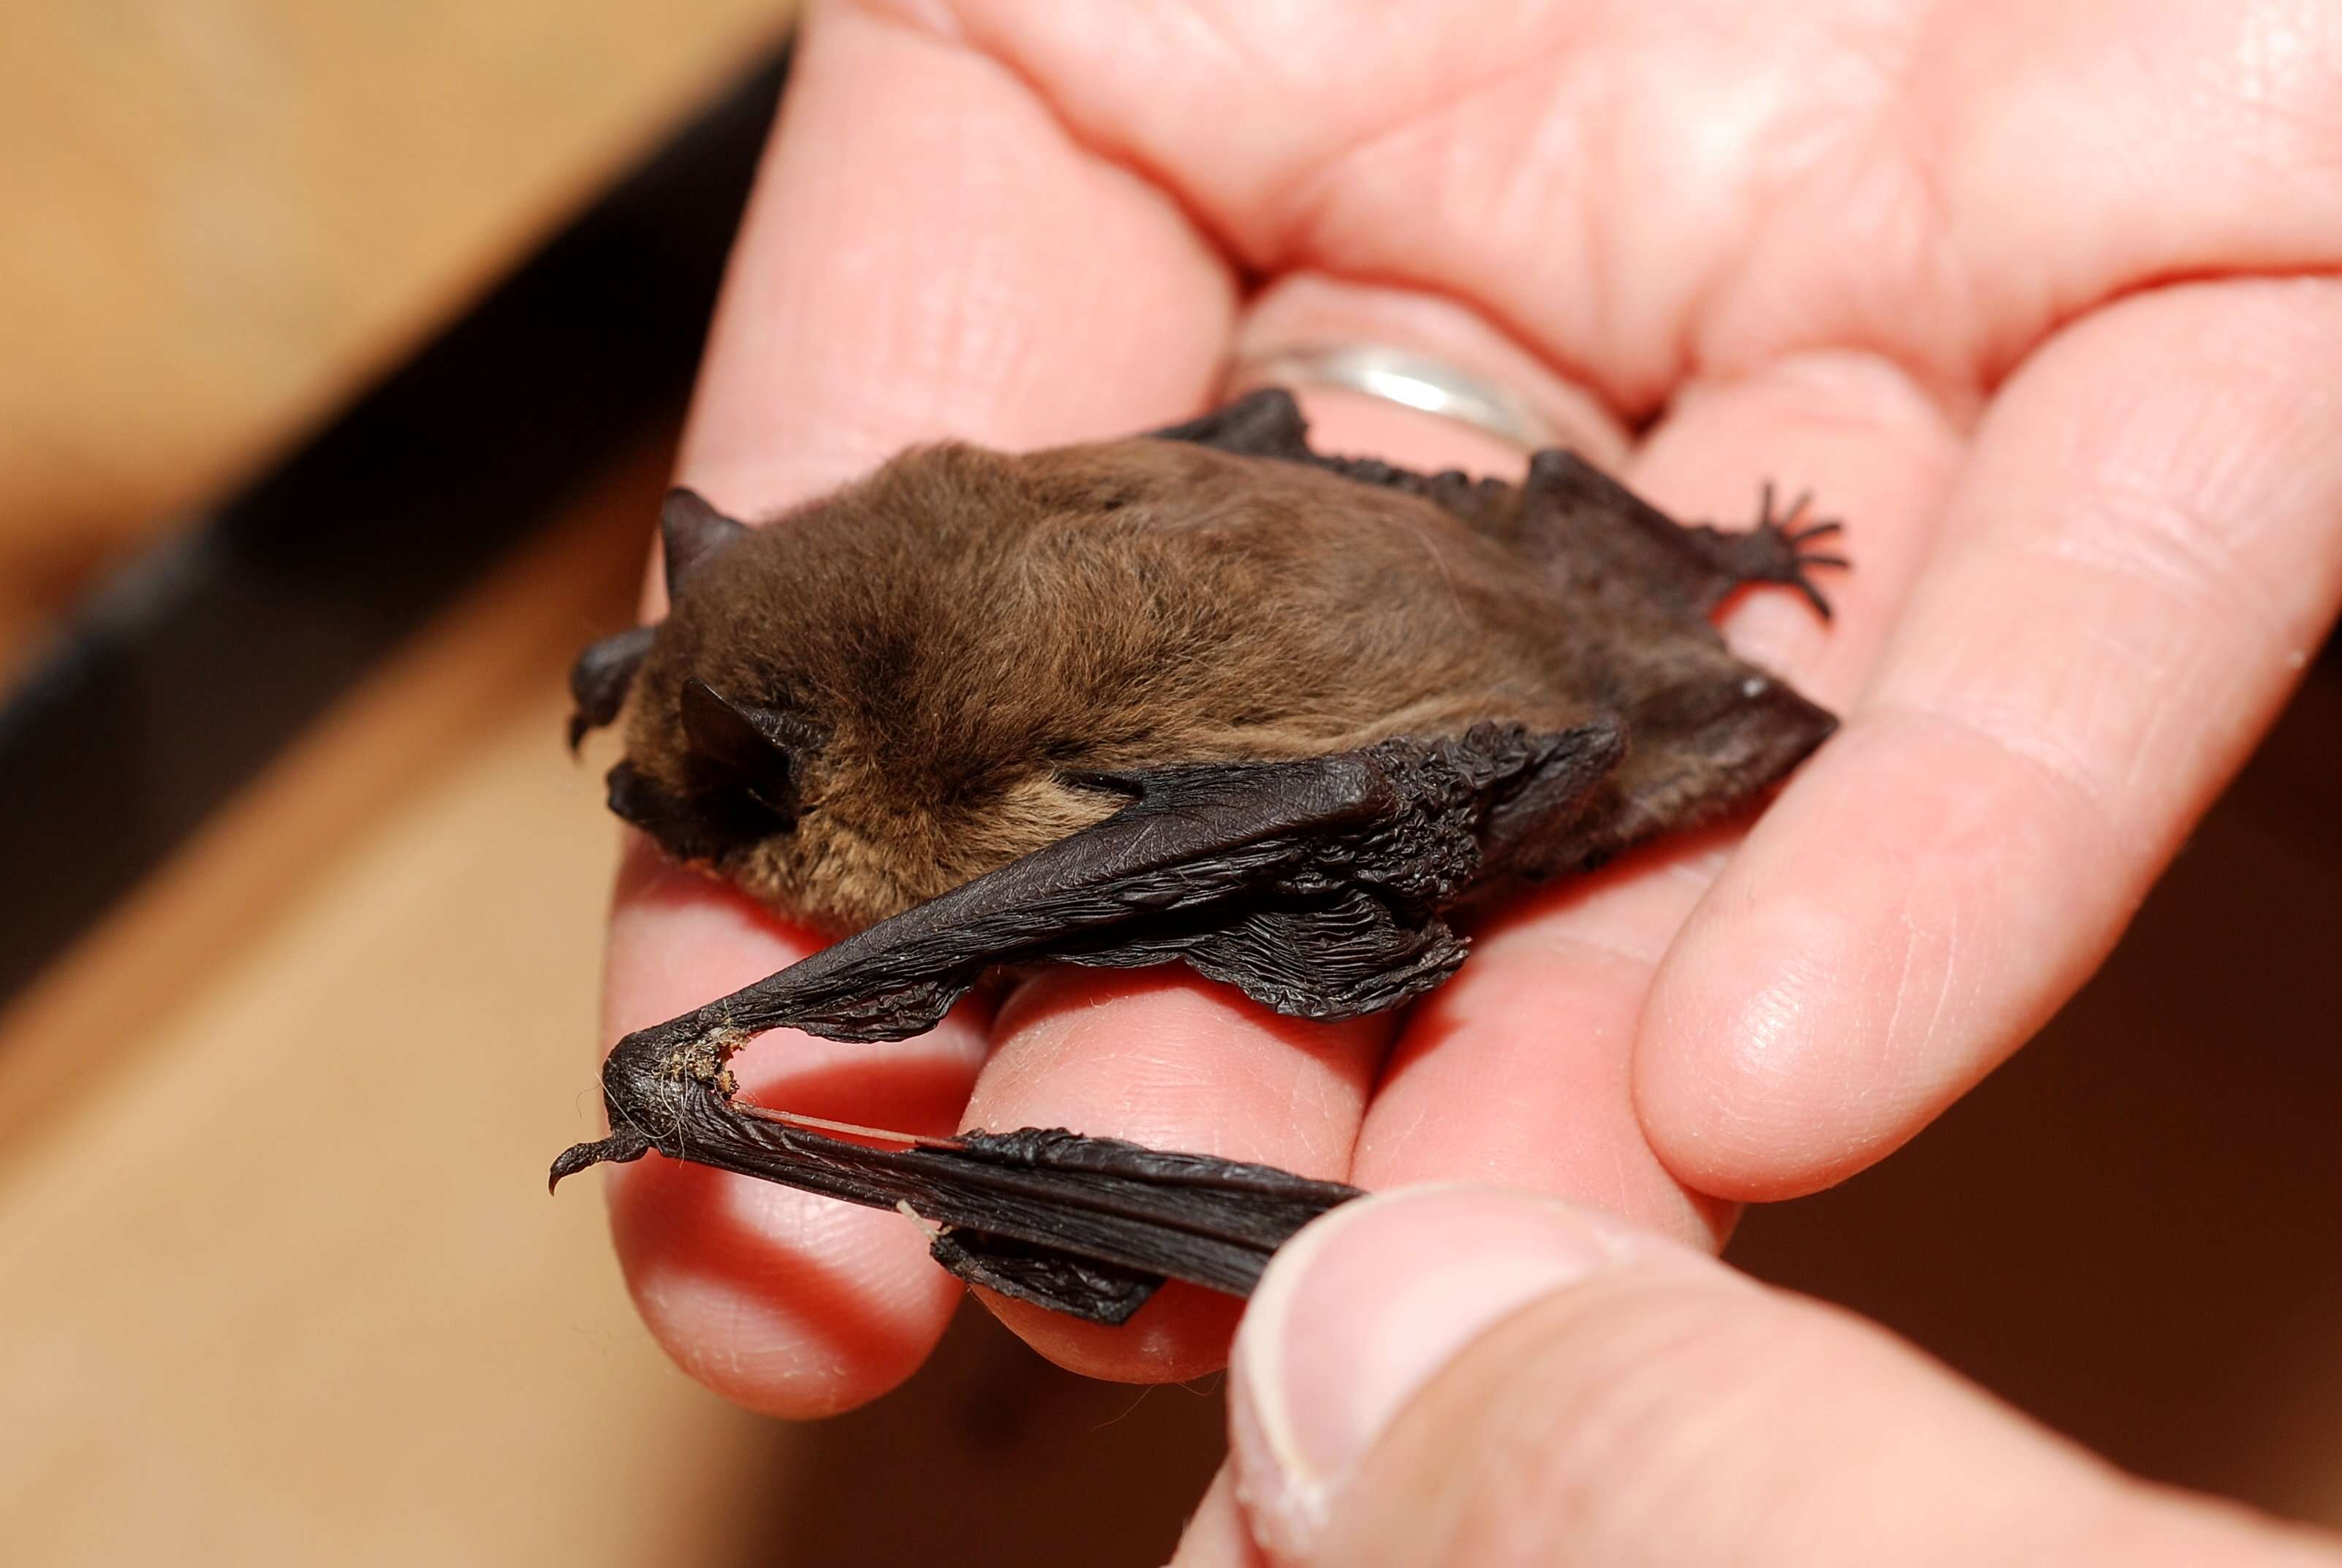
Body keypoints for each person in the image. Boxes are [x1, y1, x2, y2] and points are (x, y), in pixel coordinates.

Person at [591, 1, 2342, 1559]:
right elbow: (1253, 451)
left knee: (1080, 900)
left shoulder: (941, 780)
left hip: (1511, 728)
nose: (676, 829)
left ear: (813, 781)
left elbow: (1112, 812)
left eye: (717, 804)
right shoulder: (955, 504)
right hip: (1506, 567)